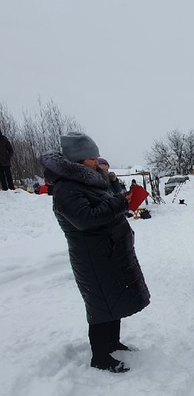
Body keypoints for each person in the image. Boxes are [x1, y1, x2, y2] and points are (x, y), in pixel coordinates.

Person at [42, 132, 150, 373]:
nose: (97, 162)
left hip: (108, 251)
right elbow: (86, 219)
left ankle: (113, 342)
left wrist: (122, 199)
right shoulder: (66, 188)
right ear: (78, 160)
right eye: (92, 158)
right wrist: (120, 203)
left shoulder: (90, 181)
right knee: (101, 306)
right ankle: (100, 356)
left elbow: (103, 206)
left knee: (113, 300)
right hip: (92, 256)